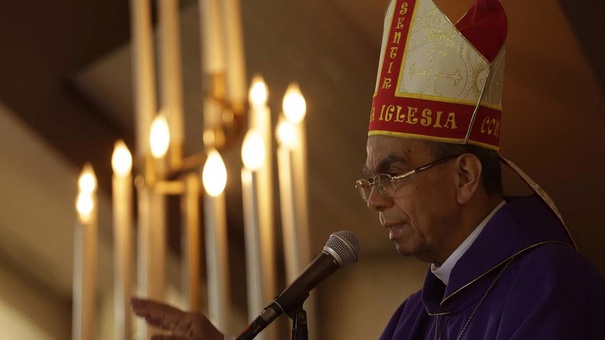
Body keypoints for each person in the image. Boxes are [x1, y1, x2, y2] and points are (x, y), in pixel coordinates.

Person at [132, 0, 605, 338]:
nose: (375, 200)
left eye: (391, 175)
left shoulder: (552, 289)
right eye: (369, 180)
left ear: (465, 177)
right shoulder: (411, 320)